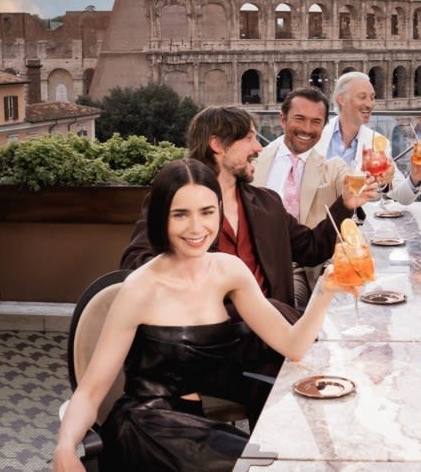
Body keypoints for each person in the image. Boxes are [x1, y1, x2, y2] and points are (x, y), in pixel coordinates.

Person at [55, 158, 360, 472]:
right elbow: (91, 391)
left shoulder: (229, 271)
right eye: (180, 215)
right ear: (161, 218)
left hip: (196, 426)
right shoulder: (139, 287)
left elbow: (293, 346)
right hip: (144, 426)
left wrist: (325, 291)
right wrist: (65, 448)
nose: (196, 227)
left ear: (218, 209)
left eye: (207, 212)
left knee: (284, 461)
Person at [120, 105, 371, 421]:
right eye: (250, 138)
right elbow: (136, 264)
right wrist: (216, 291)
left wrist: (346, 204)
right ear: (218, 145)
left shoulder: (266, 203)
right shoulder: (177, 205)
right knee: (302, 382)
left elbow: (311, 248)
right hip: (211, 347)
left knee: (329, 374)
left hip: (271, 339)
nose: (260, 148)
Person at [252, 87, 379, 307]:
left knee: (281, 302)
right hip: (250, 262)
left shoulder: (333, 168)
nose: (307, 129)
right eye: (299, 119)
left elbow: (354, 184)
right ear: (282, 119)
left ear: (324, 125)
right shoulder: (254, 162)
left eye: (316, 122)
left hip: (299, 267)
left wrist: (378, 179)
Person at [314, 71, 421, 206]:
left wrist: (414, 179)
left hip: (356, 222)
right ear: (341, 99)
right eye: (362, 97)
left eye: (372, 98)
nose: (370, 104)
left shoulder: (377, 142)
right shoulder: (315, 134)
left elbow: (401, 196)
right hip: (318, 220)